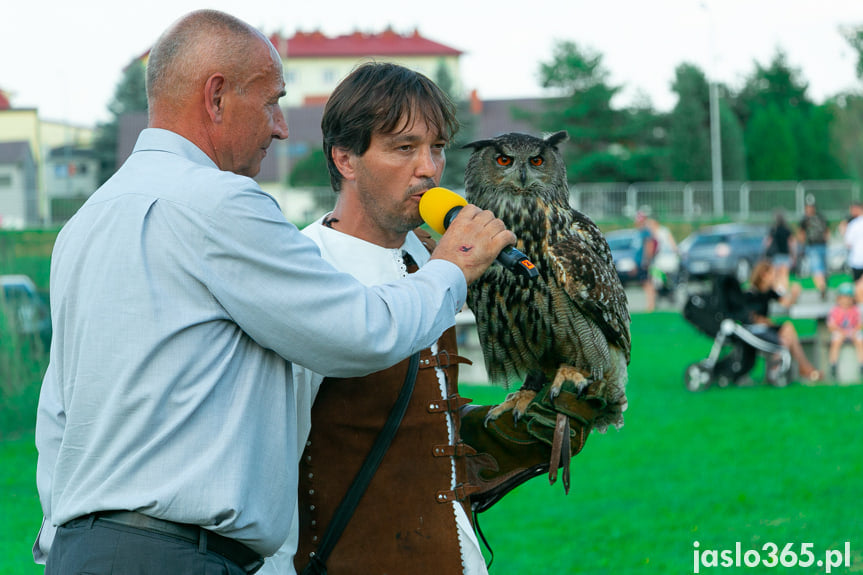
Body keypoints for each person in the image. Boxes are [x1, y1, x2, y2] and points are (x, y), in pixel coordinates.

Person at [33, 12, 517, 575]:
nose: (283, 127)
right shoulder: (221, 203)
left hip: (84, 550)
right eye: (271, 103)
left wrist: (69, 542)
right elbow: (359, 331)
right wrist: (453, 267)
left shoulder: (87, 221)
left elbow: (59, 412)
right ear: (216, 97)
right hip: (180, 556)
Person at [260, 63, 602, 575]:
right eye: (404, 148)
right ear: (345, 158)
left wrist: (492, 433)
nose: (429, 168)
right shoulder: (306, 268)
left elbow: (402, 420)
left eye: (437, 148)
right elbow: (270, 461)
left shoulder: (429, 260)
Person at [745, 260, 821, 382]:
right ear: (764, 275)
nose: (775, 277)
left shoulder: (769, 292)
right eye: (773, 274)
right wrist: (771, 323)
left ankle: (793, 368)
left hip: (766, 328)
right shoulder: (751, 294)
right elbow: (753, 319)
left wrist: (794, 294)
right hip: (755, 331)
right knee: (786, 336)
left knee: (788, 331)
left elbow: (786, 303)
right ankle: (800, 368)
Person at [826, 282, 863, 380]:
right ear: (838, 299)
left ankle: (861, 363)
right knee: (836, 340)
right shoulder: (835, 310)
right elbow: (831, 325)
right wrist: (842, 332)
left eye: (848, 298)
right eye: (843, 298)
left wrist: (854, 331)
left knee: (860, 340)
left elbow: (860, 324)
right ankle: (833, 363)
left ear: (852, 299)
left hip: (852, 331)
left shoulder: (855, 310)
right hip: (840, 331)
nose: (845, 301)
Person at [797, 197, 830, 300]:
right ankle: (822, 287)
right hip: (814, 246)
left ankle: (822, 286)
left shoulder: (817, 218)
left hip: (818, 246)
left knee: (819, 269)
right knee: (819, 268)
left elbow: (801, 234)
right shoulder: (808, 219)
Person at [764, 210, 794, 292]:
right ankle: (784, 289)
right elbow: (791, 243)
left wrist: (765, 252)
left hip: (776, 254)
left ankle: (776, 290)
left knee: (776, 274)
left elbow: (768, 242)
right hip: (785, 254)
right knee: (784, 274)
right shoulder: (787, 230)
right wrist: (793, 255)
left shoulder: (774, 230)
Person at [634, 211, 657, 312]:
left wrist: (647, 260)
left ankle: (651, 305)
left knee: (648, 283)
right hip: (639, 262)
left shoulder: (646, 232)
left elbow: (649, 246)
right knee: (644, 283)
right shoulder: (639, 232)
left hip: (644, 262)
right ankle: (650, 304)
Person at [844, 202, 863, 302]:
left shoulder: (853, 224)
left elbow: (848, 243)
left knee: (858, 286)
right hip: (857, 259)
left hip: (857, 259)